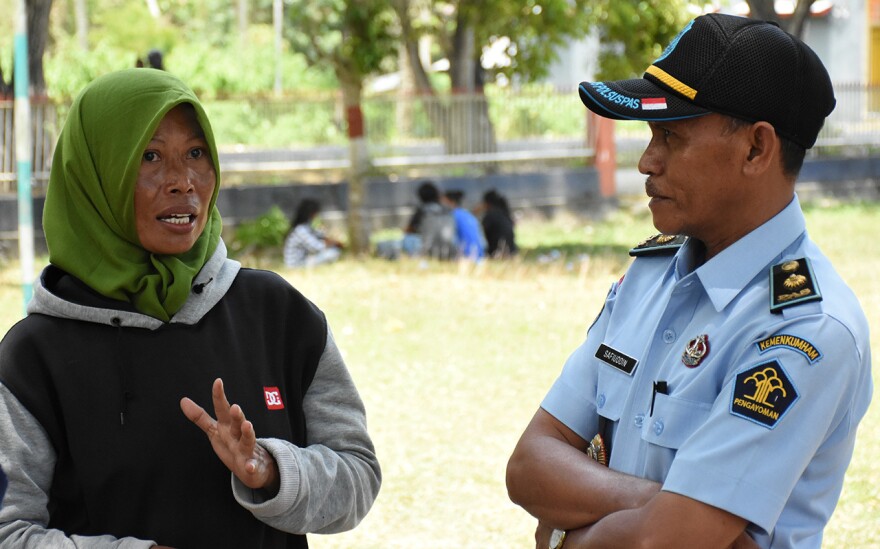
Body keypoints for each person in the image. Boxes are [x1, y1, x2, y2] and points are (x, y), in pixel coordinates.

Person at [506, 13, 872, 549]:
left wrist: (566, 533)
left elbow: (665, 543)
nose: (646, 162)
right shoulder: (650, 277)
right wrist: (661, 502)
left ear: (756, 148)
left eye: (671, 137)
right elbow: (529, 464)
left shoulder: (807, 328)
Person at [0, 68, 380, 548]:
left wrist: (272, 471)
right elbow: (9, 533)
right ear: (96, 176)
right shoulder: (33, 358)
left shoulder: (276, 314)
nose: (182, 182)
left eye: (196, 154)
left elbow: (358, 475)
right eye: (150, 157)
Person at [401, 180, 457, 260]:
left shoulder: (423, 210)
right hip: (450, 250)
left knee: (408, 239)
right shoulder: (448, 210)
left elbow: (408, 231)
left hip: (428, 251)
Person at [283, 198, 344, 268]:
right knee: (332, 253)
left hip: (302, 260)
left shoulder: (305, 227)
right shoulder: (300, 229)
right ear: (311, 213)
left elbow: (319, 235)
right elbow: (316, 247)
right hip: (296, 265)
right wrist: (333, 243)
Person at [443, 189, 485, 261]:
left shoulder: (451, 216)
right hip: (480, 257)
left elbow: (448, 239)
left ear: (451, 202)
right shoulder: (469, 215)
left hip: (465, 257)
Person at [480, 189, 517, 258]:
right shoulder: (504, 213)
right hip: (512, 251)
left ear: (486, 203)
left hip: (497, 252)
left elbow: (480, 233)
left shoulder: (490, 215)